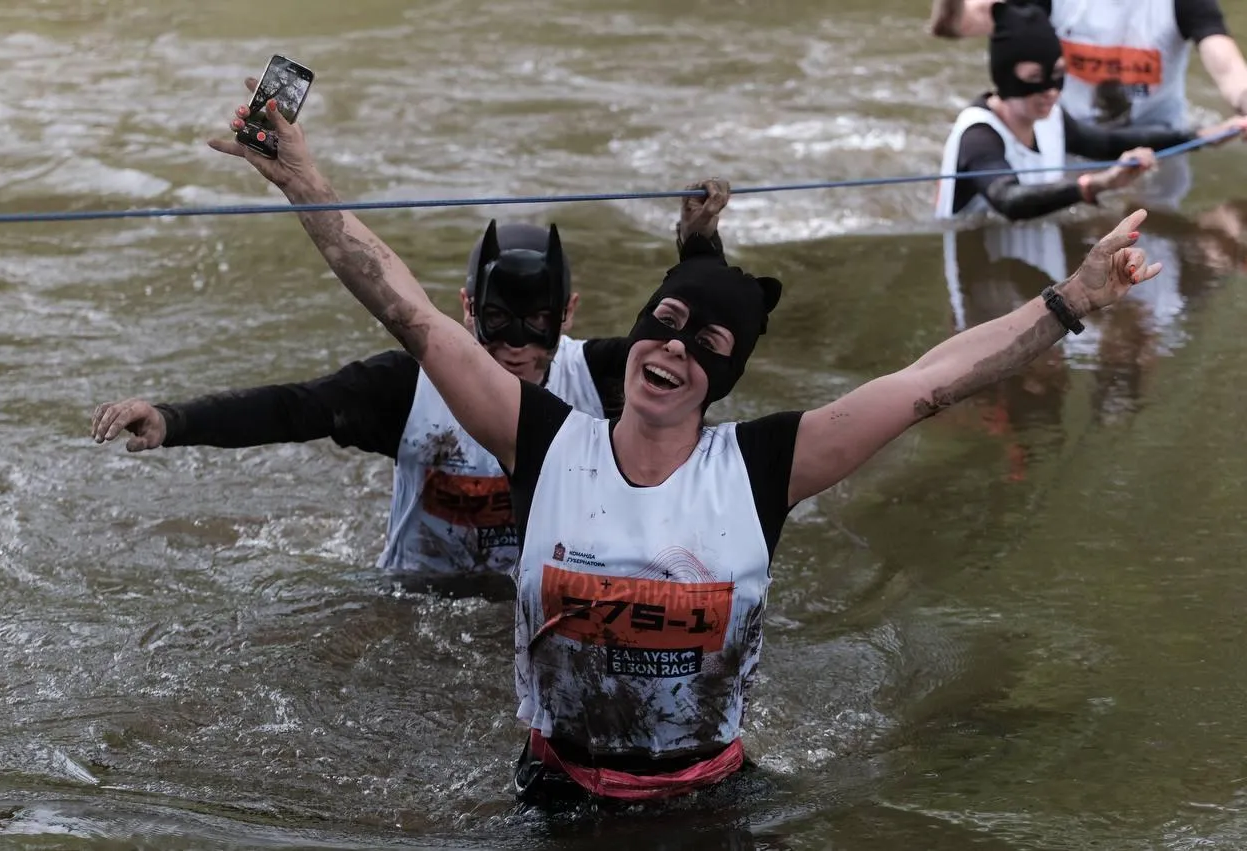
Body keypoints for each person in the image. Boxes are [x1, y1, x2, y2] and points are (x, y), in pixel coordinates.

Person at [204, 78, 1162, 804]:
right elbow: (406, 308)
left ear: (724, 375)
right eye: (661, 325)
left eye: (704, 344)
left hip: (716, 800)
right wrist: (304, 179)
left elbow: (926, 386)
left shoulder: (759, 468)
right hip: (553, 795)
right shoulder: (543, 440)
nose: (671, 348)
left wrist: (1070, 301)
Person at [91, 163, 734, 599]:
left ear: (566, 314)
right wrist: (173, 419)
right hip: (418, 599)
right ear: (465, 308)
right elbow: (295, 408)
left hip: (540, 604)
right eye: (496, 322)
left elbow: (693, 358)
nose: (514, 345)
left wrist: (699, 248)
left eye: (536, 324)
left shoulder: (602, 380)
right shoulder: (408, 387)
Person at [935, 2, 1247, 223]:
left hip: (1152, 138)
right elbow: (1008, 201)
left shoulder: (1054, 120)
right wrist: (1097, 184)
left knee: (1151, 233)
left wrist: (1203, 135)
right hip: (1073, 146)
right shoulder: (979, 135)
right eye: (1034, 79)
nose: (1050, 89)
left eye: (1058, 74)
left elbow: (1228, 66)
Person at [928, 0, 1247, 127]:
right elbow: (958, 24)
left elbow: (1227, 65)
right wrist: (953, 13)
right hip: (1073, 135)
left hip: (1160, 136)